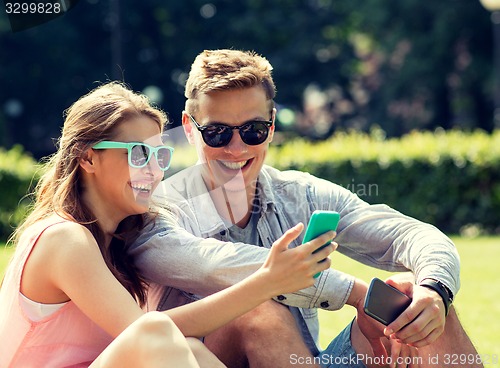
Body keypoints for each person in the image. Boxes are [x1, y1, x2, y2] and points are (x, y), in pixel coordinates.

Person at [131, 50, 483, 368]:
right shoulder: (159, 209)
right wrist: (355, 293)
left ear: (271, 127)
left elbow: (411, 235)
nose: (236, 148)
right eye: (218, 133)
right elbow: (227, 267)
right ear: (190, 129)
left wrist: (435, 290)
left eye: (253, 130)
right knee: (257, 306)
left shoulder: (300, 193)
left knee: (411, 298)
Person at [0, 81, 336, 368]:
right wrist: (265, 281)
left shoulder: (123, 239)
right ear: (88, 157)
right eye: (137, 154)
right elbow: (146, 334)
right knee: (156, 332)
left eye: (159, 156)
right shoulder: (64, 238)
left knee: (192, 348)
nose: (153, 170)